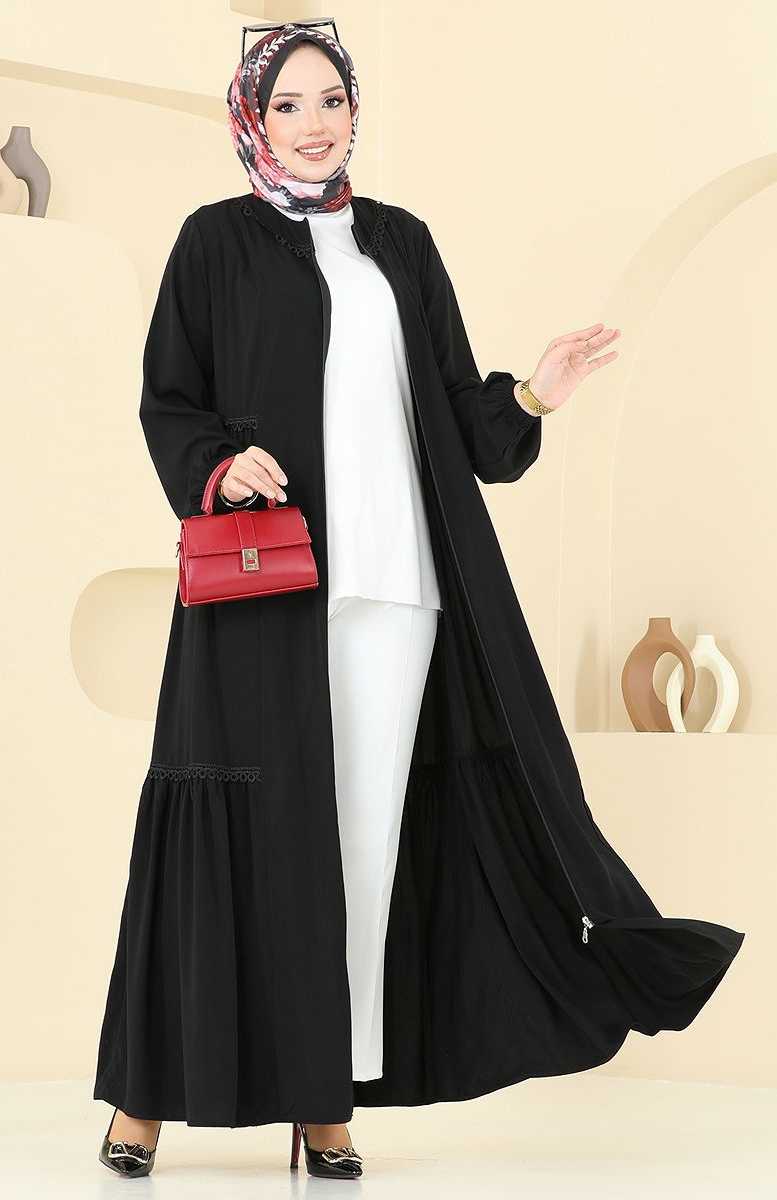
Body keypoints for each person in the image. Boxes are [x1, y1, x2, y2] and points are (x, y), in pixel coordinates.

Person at [93, 20, 744, 1182]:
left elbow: (456, 418)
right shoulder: (215, 242)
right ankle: (144, 1096)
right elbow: (167, 401)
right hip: (267, 587)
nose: (313, 124)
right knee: (223, 837)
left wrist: (532, 396)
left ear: (355, 109)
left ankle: (324, 1101)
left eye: (331, 99)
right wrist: (217, 466)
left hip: (397, 594)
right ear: (251, 119)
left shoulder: (399, 242)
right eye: (287, 104)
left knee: (360, 855)